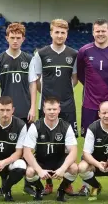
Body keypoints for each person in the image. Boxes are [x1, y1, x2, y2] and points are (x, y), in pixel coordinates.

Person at [77, 18, 108, 196]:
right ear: (93, 32)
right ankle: (86, 183)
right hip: (90, 105)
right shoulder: (84, 51)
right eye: (97, 31)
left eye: (103, 30)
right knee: (88, 143)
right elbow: (83, 76)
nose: (100, 34)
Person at [0, 22, 37, 196]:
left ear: (23, 39)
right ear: (6, 38)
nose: (15, 41)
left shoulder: (29, 59)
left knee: (27, 149)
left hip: (25, 111)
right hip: (5, 114)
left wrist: (33, 107)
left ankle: (27, 183)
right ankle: (4, 186)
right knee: (5, 149)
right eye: (12, 37)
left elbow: (33, 85)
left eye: (18, 38)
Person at [33, 19, 78, 195]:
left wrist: (65, 94)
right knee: (45, 144)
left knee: (68, 146)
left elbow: (74, 78)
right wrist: (47, 101)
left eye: (63, 32)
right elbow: (36, 80)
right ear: (51, 33)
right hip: (46, 107)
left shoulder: (73, 54)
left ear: (67, 34)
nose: (59, 35)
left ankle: (66, 183)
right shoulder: (41, 53)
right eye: (56, 32)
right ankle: (48, 182)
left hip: (67, 106)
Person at [23, 97, 78, 202]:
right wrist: (39, 171)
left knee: (74, 168)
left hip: (59, 161)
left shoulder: (66, 127)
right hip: (42, 161)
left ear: (59, 110)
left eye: (54, 109)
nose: (52, 112)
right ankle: (39, 189)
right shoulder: (36, 126)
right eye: (49, 109)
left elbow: (74, 151)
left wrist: (63, 168)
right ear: (44, 110)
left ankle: (61, 190)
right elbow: (26, 152)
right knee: (29, 172)